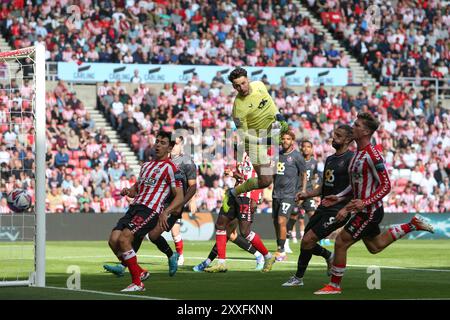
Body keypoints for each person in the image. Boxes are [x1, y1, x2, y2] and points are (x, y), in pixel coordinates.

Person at [314, 113, 434, 295]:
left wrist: (364, 202)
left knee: (341, 242)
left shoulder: (373, 156)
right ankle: (412, 225)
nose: (352, 127)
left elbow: (386, 185)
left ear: (366, 131)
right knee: (375, 246)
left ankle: (334, 285)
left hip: (369, 211)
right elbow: (354, 184)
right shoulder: (356, 155)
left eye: (356, 125)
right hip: (363, 209)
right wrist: (339, 197)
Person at [105, 131, 184, 292]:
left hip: (151, 210)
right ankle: (140, 272)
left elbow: (180, 196)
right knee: (113, 240)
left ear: (169, 147)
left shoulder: (171, 168)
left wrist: (166, 211)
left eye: (163, 143)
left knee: (124, 239)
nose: (158, 145)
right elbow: (137, 189)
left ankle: (137, 283)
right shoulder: (146, 166)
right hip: (135, 207)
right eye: (157, 141)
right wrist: (129, 191)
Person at [281, 125, 354, 287]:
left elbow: (356, 188)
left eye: (338, 135)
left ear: (348, 139)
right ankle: (328, 256)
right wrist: (307, 194)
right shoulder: (330, 159)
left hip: (337, 210)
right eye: (334, 135)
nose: (333, 138)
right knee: (306, 242)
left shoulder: (352, 159)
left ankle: (299, 278)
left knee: (307, 240)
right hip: (323, 207)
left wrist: (346, 208)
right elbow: (324, 186)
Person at [223, 67, 288, 213]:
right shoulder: (238, 107)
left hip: (271, 130)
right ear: (233, 87)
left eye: (243, 83)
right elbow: (243, 135)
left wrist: (279, 116)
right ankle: (232, 193)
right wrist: (262, 141)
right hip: (255, 143)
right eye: (237, 86)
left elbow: (270, 103)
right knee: (266, 180)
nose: (241, 87)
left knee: (289, 140)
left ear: (248, 79)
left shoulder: (259, 85)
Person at [203, 150, 276, 272]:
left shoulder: (261, 157)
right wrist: (233, 174)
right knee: (221, 225)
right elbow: (242, 176)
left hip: (247, 196)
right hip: (236, 193)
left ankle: (267, 256)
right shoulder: (242, 156)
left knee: (245, 232)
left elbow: (264, 180)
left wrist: (255, 198)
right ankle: (221, 263)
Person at [272, 131, 306, 262]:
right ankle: (279, 247)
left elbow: (303, 174)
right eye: (283, 139)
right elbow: (273, 174)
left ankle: (281, 250)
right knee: (276, 222)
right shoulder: (277, 155)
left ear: (292, 141)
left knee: (281, 221)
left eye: (288, 139)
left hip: (289, 195)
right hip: (276, 194)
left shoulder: (297, 156)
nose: (285, 141)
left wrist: (302, 191)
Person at [287, 139, 320, 251]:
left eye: (308, 147)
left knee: (313, 216)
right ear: (300, 148)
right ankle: (285, 241)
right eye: (304, 146)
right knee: (293, 217)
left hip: (309, 193)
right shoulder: (296, 160)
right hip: (297, 192)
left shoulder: (314, 162)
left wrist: (315, 194)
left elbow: (314, 179)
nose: (306, 148)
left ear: (312, 149)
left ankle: (311, 239)